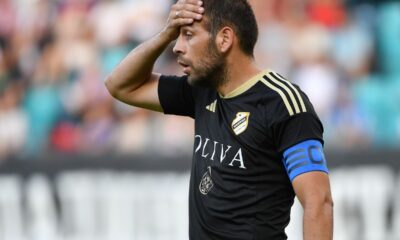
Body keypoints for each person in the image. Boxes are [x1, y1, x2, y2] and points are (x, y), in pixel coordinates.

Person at [105, 0, 334, 239]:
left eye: (188, 35)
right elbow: (119, 85)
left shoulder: (283, 104)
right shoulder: (202, 91)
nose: (177, 47)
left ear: (224, 39)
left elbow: (318, 202)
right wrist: (165, 33)